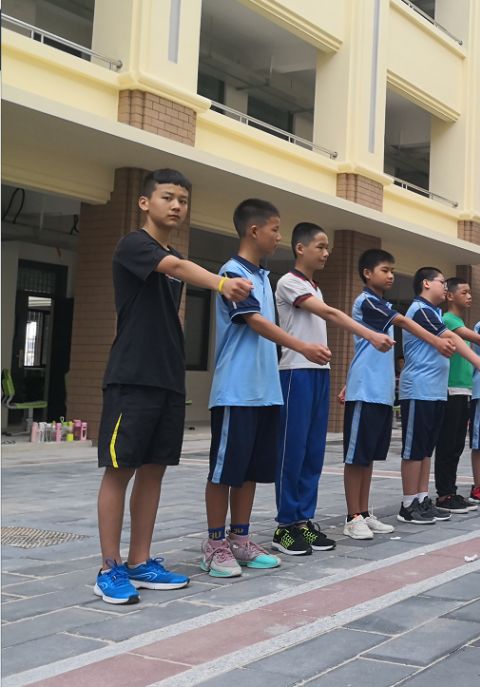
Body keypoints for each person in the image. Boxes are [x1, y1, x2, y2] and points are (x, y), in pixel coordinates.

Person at [94, 169, 253, 604]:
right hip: (131, 377)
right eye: (168, 197)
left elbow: (177, 265)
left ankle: (140, 560)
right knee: (119, 470)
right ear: (145, 203)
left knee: (153, 470)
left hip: (167, 379)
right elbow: (177, 266)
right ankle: (109, 567)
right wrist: (221, 282)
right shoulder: (134, 246)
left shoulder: (172, 255)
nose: (177, 206)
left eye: (183, 199)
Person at [202, 199, 332, 578]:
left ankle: (240, 540)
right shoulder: (231, 272)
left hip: (266, 390)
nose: (279, 235)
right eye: (274, 229)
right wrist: (303, 347)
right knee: (224, 472)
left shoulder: (262, 275)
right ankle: (214, 544)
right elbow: (255, 322)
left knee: (251, 471)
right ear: (253, 231)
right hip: (236, 390)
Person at [272, 223, 394, 556]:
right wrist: (369, 334)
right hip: (295, 373)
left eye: (328, 248)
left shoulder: (314, 285)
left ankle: (303, 522)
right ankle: (285, 525)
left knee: (313, 452)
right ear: (300, 248)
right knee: (292, 450)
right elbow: (327, 313)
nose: (326, 253)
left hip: (319, 373)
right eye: (320, 246)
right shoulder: (288, 282)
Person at [340, 249, 452, 540]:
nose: (391, 275)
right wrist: (435, 341)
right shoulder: (367, 301)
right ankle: (352, 516)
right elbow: (401, 322)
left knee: (368, 458)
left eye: (392, 270)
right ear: (367, 273)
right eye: (385, 270)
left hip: (380, 392)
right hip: (365, 389)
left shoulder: (381, 303)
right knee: (356, 458)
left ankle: (364, 513)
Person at [397, 268, 480, 525]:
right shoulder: (420, 309)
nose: (444, 287)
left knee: (426, 448)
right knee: (414, 449)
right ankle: (408, 504)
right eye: (442, 282)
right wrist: (479, 362)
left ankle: (421, 498)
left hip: (434, 390)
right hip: (419, 389)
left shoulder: (430, 312)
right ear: (427, 283)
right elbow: (451, 337)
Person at [433, 278, 480, 512]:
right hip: (467, 389)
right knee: (460, 444)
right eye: (465, 292)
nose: (469, 296)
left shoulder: (466, 323)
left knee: (472, 444)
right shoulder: (455, 321)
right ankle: (461, 490)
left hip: (470, 389)